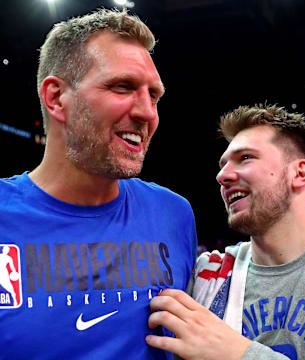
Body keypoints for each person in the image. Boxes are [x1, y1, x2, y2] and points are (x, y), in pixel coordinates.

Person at [0, 8, 197, 360]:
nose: (147, 113)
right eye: (123, 86)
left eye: (154, 96)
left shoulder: (175, 214)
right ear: (56, 98)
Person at [145, 104, 305, 359]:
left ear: (299, 173)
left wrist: (240, 354)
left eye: (245, 157)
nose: (221, 175)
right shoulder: (208, 275)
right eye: (222, 165)